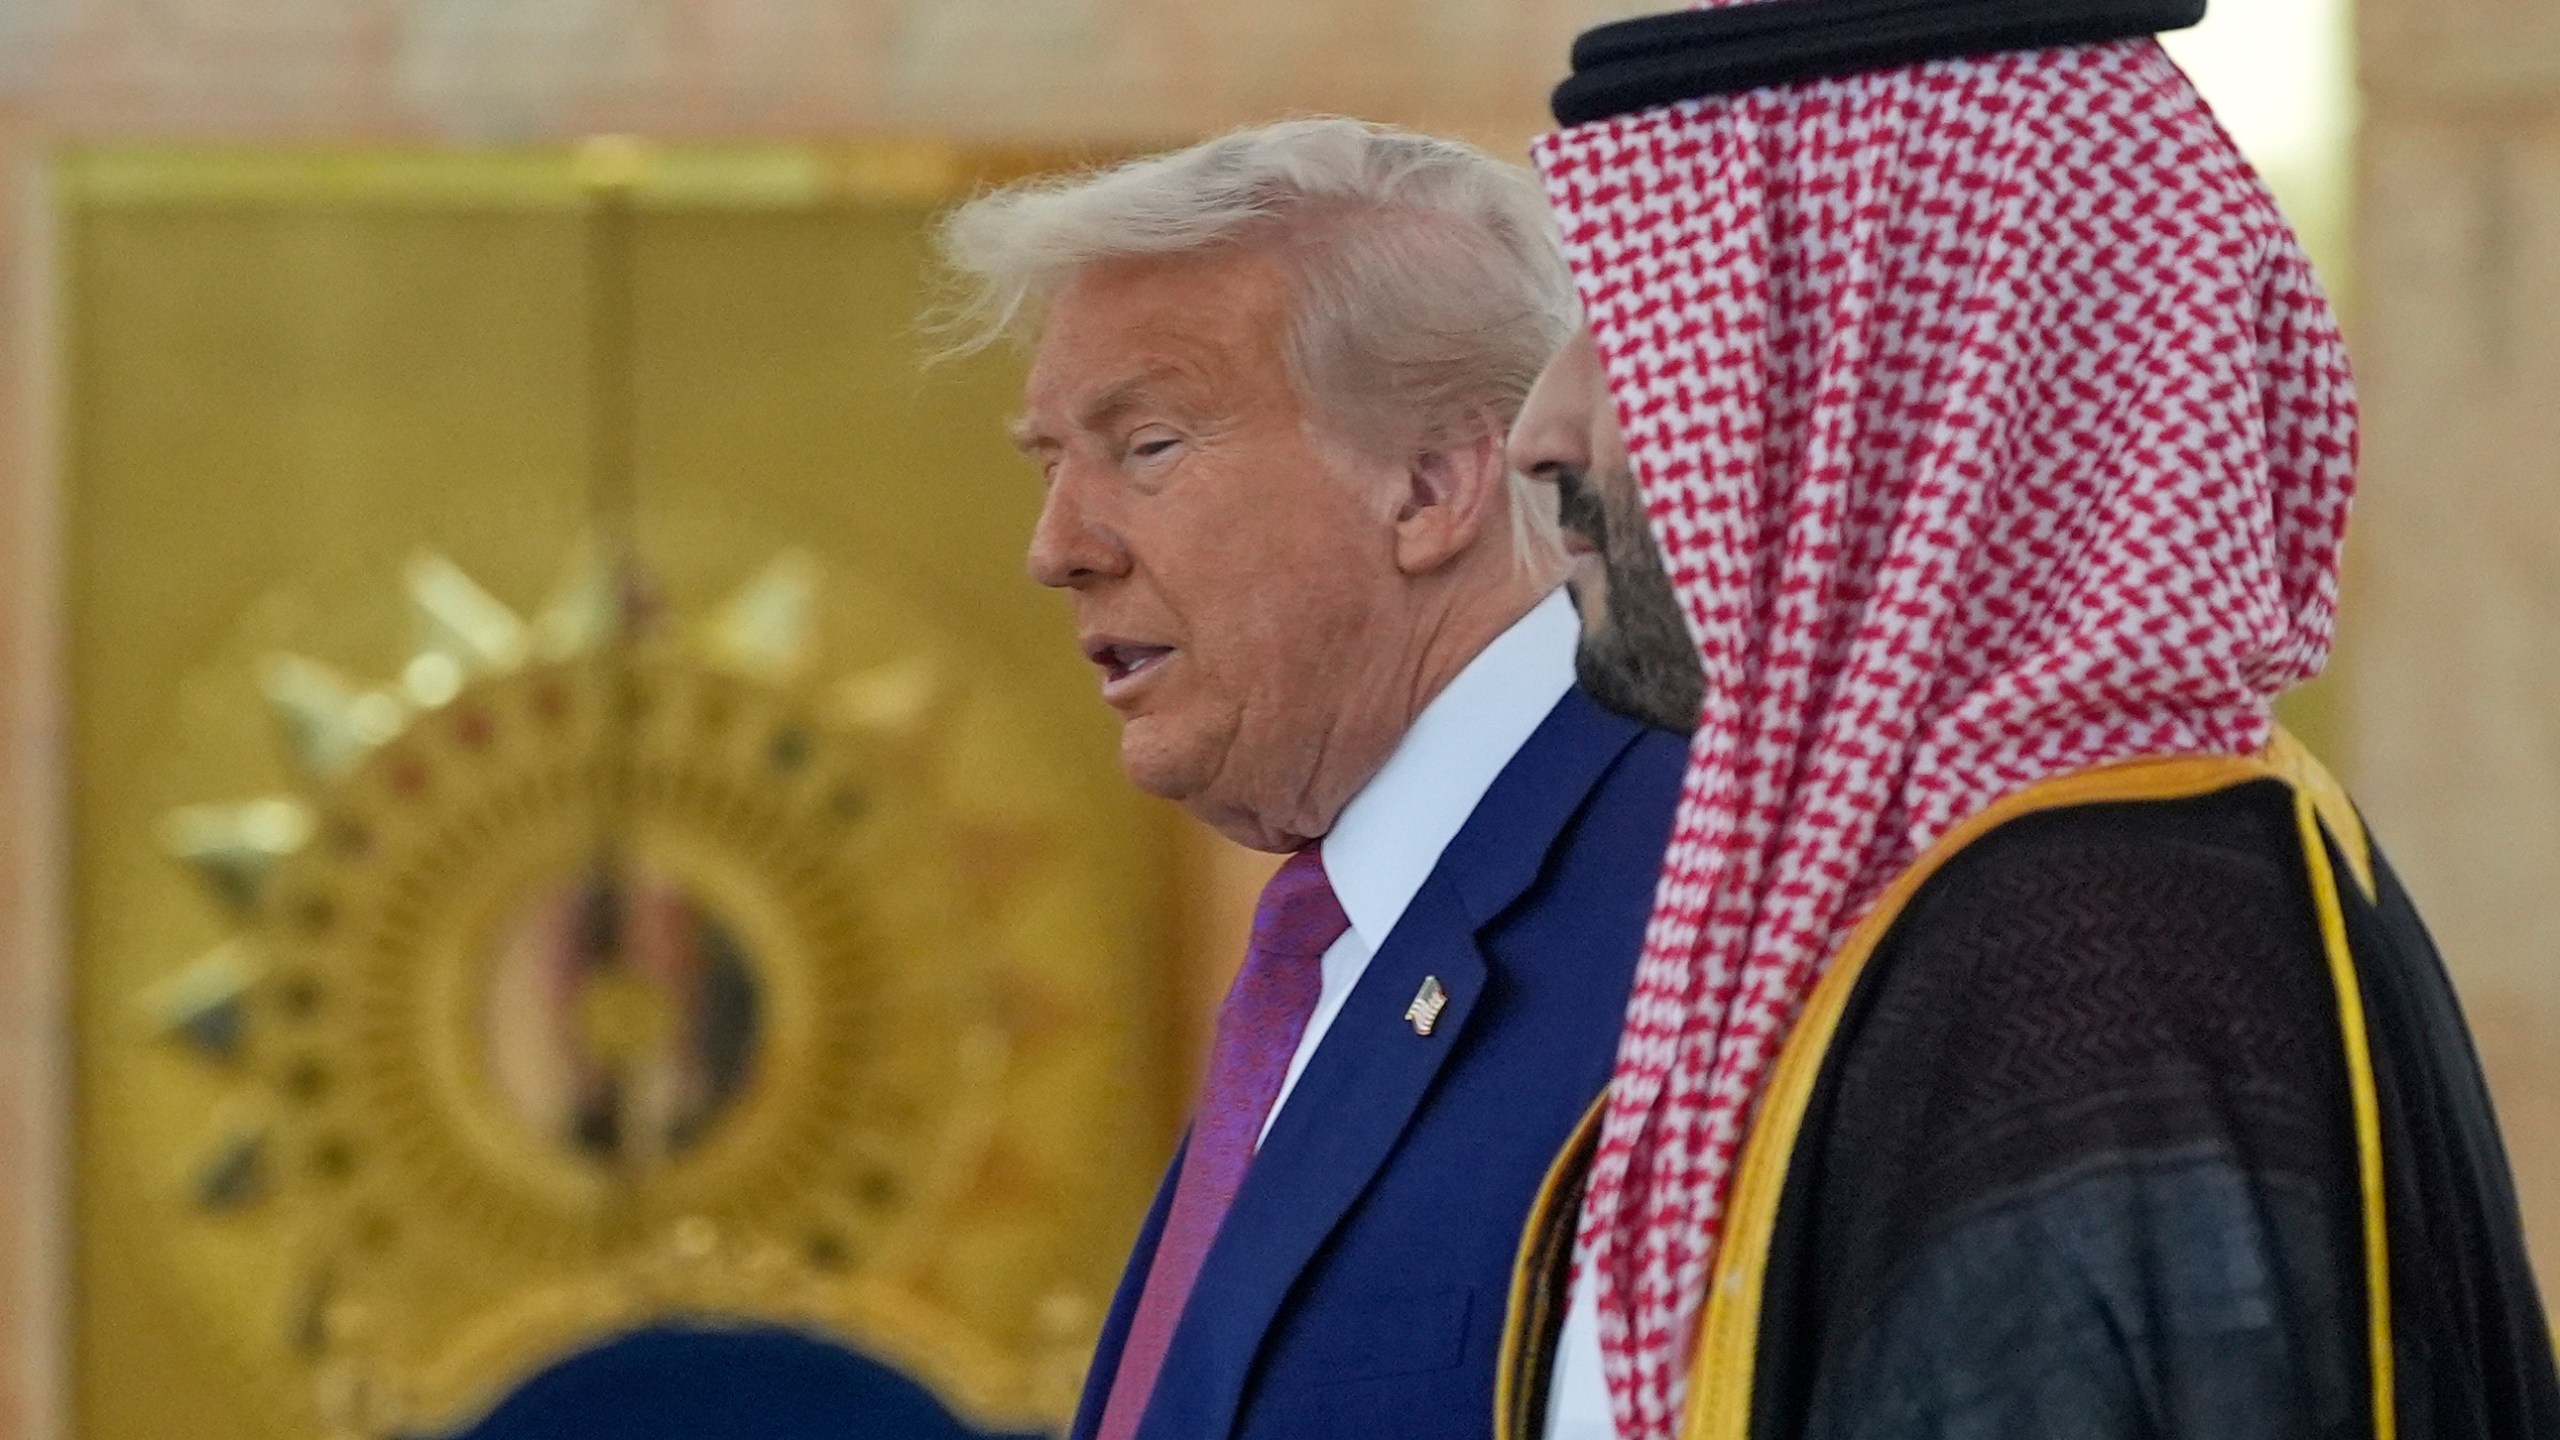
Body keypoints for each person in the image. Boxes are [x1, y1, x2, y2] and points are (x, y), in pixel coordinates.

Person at [1495, 4, 2560, 1440]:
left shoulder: (2088, 963)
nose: (1542, 431)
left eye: (1636, 327)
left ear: (1918, 383)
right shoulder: (2055, 888)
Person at [936, 119, 1690, 1440]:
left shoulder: (1698, 914)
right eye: (1049, 463)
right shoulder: (1338, 933)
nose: (1054, 549)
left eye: (1148, 445)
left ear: (1432, 483)